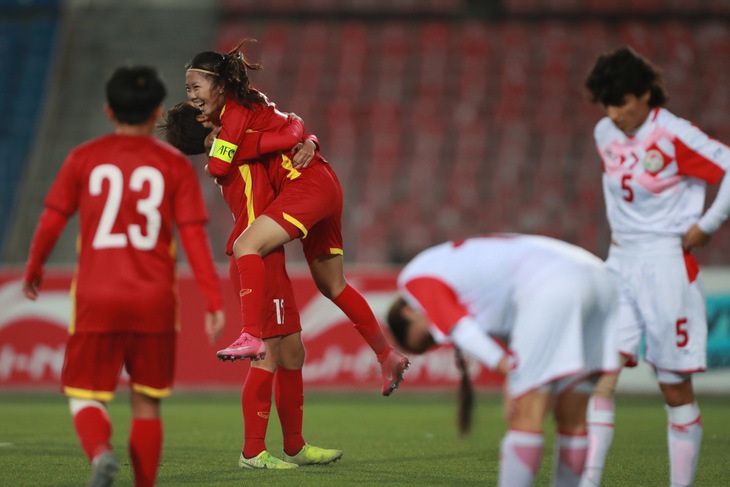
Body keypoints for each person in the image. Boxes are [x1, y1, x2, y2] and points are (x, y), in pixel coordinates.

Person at [22, 66, 226, 487]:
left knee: (84, 394)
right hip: (154, 302)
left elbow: (51, 220)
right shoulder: (173, 164)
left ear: (108, 109)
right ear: (157, 112)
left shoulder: (83, 158)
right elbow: (193, 238)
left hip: (97, 297)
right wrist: (212, 300)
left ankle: (100, 453)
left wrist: (35, 268)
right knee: (147, 403)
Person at [184, 40, 410, 396]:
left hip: (306, 185)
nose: (193, 95)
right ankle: (386, 354)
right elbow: (290, 127)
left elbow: (221, 163)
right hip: (323, 180)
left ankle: (250, 334)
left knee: (246, 245)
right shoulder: (248, 109)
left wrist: (296, 136)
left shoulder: (235, 115)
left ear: (220, 86)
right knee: (332, 285)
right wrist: (305, 136)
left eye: (195, 87)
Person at [160, 102, 343, 469]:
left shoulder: (230, 148)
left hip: (268, 257)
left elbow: (285, 137)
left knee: (293, 353)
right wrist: (304, 135)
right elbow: (284, 131)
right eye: (204, 110)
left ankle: (294, 445)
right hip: (255, 260)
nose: (210, 108)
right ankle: (252, 451)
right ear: (206, 128)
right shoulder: (229, 153)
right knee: (268, 354)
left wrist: (310, 140)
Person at [581, 46, 730, 487]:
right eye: (608, 104)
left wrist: (708, 223)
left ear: (645, 94)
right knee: (602, 370)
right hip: (620, 261)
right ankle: (588, 481)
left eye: (622, 101)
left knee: (673, 386)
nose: (615, 113)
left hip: (666, 264)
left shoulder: (674, 134)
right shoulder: (604, 133)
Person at [386, 234, 618, 487]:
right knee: (573, 419)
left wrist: (509, 369)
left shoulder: (412, 278)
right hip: (603, 281)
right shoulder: (457, 268)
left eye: (428, 335)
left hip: (553, 284)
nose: (437, 336)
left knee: (526, 416)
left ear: (408, 311)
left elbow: (462, 329)